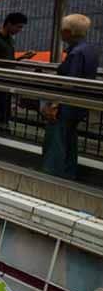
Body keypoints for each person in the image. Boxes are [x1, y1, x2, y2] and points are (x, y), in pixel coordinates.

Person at [42, 14, 99, 179]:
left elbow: (69, 83)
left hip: (67, 106)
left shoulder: (75, 54)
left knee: (56, 142)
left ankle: (52, 177)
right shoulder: (90, 50)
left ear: (68, 32)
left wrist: (54, 105)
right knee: (70, 140)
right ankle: (68, 173)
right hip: (80, 105)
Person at [0, 12, 35, 132]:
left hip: (6, 78)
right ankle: (0, 130)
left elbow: (8, 61)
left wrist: (22, 58)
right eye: (18, 26)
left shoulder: (9, 39)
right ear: (9, 24)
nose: (20, 30)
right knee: (3, 108)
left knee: (2, 108)